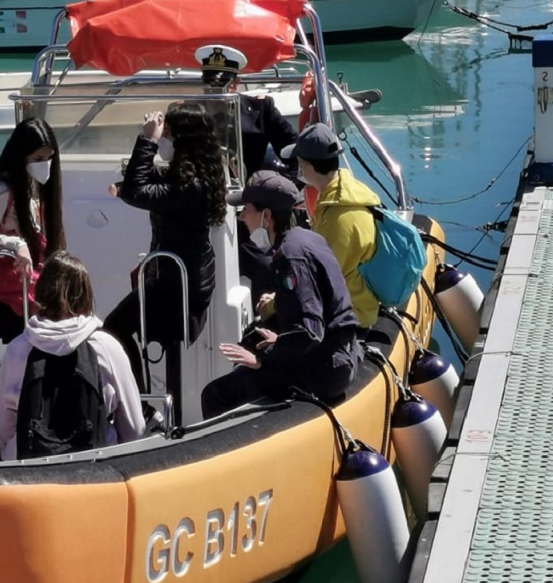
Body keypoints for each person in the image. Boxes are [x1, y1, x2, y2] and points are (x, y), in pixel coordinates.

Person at [201, 171, 362, 419]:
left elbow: (310, 331)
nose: (242, 216)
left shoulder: (290, 257)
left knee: (215, 394)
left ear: (267, 216)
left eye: (247, 209)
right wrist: (277, 340)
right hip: (338, 352)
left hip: (325, 369)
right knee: (252, 338)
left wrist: (264, 358)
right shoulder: (308, 239)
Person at [104, 102, 227, 395]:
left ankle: (140, 403)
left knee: (113, 328)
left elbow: (139, 192)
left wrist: (148, 139)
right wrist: (127, 184)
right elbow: (155, 184)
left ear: (182, 140)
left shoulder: (190, 185)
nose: (164, 140)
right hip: (179, 283)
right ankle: (142, 400)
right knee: (117, 325)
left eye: (168, 134)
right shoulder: (203, 172)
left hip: (178, 292)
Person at [0, 252, 146, 461]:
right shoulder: (107, 348)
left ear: (40, 294)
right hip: (94, 469)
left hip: (29, 472)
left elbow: (2, 431)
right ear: (86, 295)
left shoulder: (17, 350)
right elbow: (134, 429)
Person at [0, 117, 66, 341]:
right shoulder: (3, 190)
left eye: (49, 158)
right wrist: (15, 244)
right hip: (3, 301)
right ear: (21, 156)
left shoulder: (34, 188)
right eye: (38, 158)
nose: (45, 164)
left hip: (28, 295)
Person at [281, 124, 381, 332]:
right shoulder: (341, 194)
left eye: (299, 163)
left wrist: (274, 304)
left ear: (307, 167)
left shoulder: (340, 217)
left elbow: (321, 279)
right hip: (349, 303)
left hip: (351, 314)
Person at [197, 45, 298, 178]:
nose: (213, 89)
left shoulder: (261, 108)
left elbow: (293, 151)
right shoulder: (190, 112)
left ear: (236, 83)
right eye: (208, 82)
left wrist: (286, 189)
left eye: (221, 83)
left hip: (249, 192)